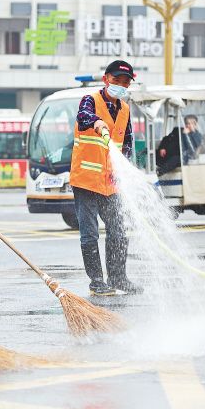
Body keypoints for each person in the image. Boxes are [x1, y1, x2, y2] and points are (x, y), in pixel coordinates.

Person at [70, 59, 141, 296]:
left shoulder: (126, 109)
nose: (120, 85)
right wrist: (97, 121)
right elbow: (83, 117)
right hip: (86, 180)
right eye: (116, 80)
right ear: (105, 79)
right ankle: (97, 281)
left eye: (125, 83)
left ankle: (118, 277)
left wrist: (127, 172)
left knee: (118, 231)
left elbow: (127, 144)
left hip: (111, 183)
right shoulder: (90, 101)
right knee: (89, 233)